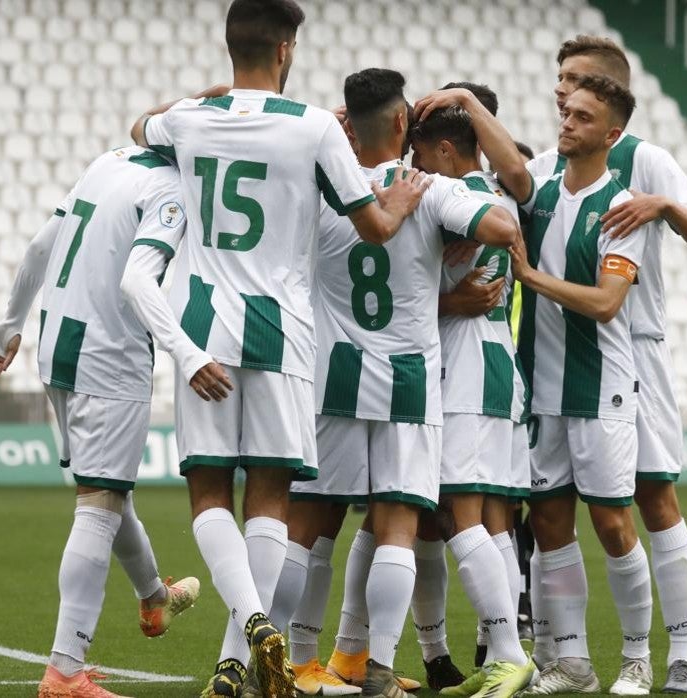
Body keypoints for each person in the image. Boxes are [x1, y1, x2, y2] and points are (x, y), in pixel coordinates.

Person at [128, 1, 429, 695]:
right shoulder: (317, 126)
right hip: (281, 328)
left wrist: (197, 100)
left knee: (209, 495)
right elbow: (376, 227)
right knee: (269, 499)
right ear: (287, 49)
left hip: (201, 323)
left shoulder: (189, 120)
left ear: (229, 45)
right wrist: (405, 203)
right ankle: (247, 643)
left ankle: (246, 643)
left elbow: (138, 126)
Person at [268, 67, 519, 698]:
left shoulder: (326, 189)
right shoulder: (426, 188)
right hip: (408, 376)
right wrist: (449, 244)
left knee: (309, 525)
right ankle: (377, 665)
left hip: (336, 373)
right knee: (396, 526)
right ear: (405, 123)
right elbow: (503, 228)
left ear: (345, 123)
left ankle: (292, 662)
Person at [418, 73, 656, 695]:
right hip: (538, 387)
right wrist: (467, 102)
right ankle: (571, 662)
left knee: (612, 525)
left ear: (612, 133)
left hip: (600, 385)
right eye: (565, 113)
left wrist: (529, 274)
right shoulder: (540, 194)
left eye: (581, 117)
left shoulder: (622, 206)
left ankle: (637, 657)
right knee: (549, 529)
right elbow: (509, 177)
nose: (566, 123)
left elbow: (607, 303)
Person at [526, 35, 687, 694]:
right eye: (560, 80)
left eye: (577, 78)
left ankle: (680, 653)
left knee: (652, 500)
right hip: (564, 354)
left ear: (610, 89)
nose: (563, 91)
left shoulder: (646, 158)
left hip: (634, 350)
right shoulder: (560, 167)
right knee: (556, 513)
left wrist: (666, 205)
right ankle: (572, 656)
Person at [0, 144, 205, 698]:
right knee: (99, 503)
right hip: (110, 354)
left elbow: (38, 247)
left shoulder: (108, 162)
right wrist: (187, 352)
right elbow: (140, 279)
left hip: (58, 346)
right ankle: (65, 670)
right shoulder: (171, 190)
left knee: (107, 489)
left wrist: (9, 324)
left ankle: (154, 597)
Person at [404, 82, 531, 696]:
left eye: (423, 158)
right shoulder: (494, 196)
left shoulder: (459, 203)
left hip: (465, 364)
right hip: (492, 363)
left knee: (459, 514)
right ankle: (499, 656)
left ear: (448, 151)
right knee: (488, 523)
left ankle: (508, 654)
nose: (418, 171)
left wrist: (443, 298)